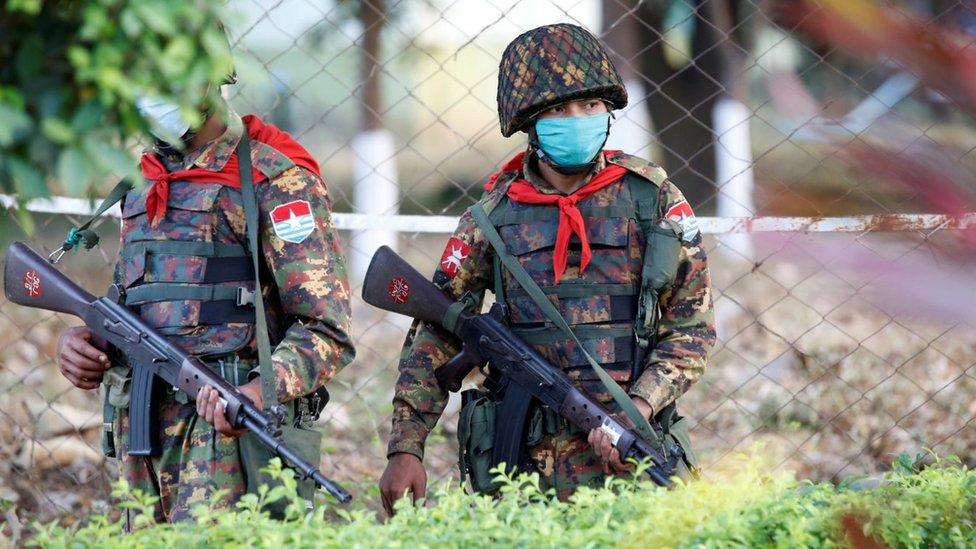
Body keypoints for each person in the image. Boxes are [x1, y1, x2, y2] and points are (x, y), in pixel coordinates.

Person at [378, 23, 715, 515]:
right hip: (520, 470)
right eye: (558, 109)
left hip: (631, 458)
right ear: (528, 122)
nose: (577, 118)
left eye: (591, 106)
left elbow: (693, 329)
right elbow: (434, 334)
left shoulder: (652, 199)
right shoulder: (491, 219)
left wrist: (638, 410)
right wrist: (406, 447)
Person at [55, 31, 355, 526]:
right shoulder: (139, 184)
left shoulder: (273, 179)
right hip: (142, 448)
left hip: (231, 453)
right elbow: (137, 305)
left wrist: (261, 393)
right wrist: (87, 343)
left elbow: (327, 330)